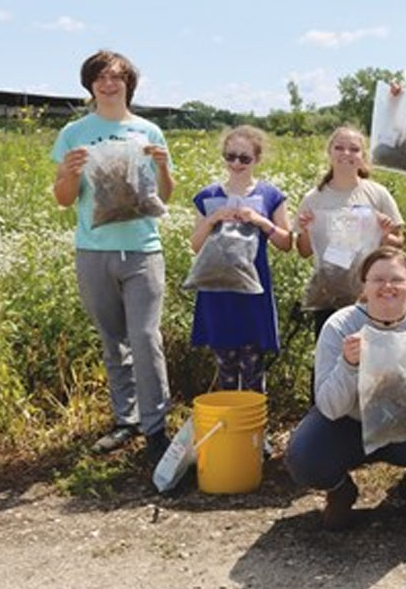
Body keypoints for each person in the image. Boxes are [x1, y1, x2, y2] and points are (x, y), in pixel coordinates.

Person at [285, 247, 406, 530]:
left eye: (397, 280)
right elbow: (328, 406)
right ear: (364, 286)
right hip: (351, 422)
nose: (388, 287)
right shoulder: (340, 326)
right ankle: (340, 491)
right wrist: (348, 365)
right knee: (304, 458)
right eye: (377, 279)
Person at [50, 50, 175, 463]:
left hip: (142, 249)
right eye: (100, 78)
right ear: (90, 85)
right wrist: (69, 173)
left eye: (116, 78)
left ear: (128, 85)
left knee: (144, 337)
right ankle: (127, 420)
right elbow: (64, 200)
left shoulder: (148, 131)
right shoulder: (74, 133)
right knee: (113, 339)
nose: (108, 84)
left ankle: (156, 428)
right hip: (93, 250)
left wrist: (163, 170)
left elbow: (165, 195)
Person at [188, 126, 293, 393]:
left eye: (244, 158)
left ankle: (255, 430)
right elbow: (195, 245)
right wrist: (213, 218)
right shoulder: (208, 196)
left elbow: (286, 242)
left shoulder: (271, 196)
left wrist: (261, 221)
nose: (236, 163)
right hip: (217, 291)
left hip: (253, 292)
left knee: (253, 370)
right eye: (230, 156)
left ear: (257, 160)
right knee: (225, 370)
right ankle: (231, 430)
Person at [296, 125, 405, 337]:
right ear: (329, 153)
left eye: (354, 149)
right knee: (329, 354)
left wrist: (384, 234)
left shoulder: (377, 194)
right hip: (327, 292)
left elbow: (399, 243)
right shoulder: (314, 198)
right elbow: (304, 251)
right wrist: (308, 230)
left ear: (363, 156)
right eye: (339, 148)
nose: (346, 154)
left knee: (369, 355)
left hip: (369, 293)